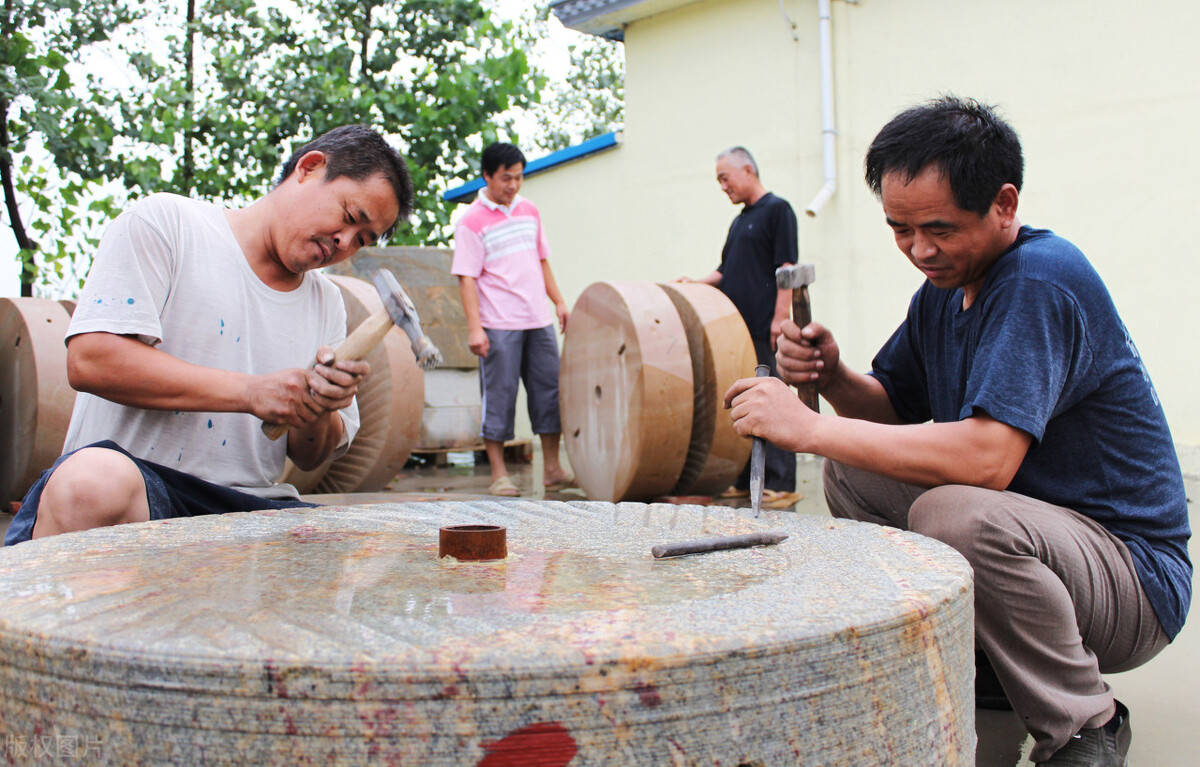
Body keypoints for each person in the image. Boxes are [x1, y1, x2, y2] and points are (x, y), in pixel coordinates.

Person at [725, 96, 1190, 765]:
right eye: (899, 229)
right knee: (855, 473)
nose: (919, 250)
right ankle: (992, 663)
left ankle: (1088, 721)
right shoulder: (941, 292)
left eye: (938, 228)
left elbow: (986, 460)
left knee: (955, 512)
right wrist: (831, 376)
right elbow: (889, 408)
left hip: (1135, 578)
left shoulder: (1041, 280)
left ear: (1004, 203)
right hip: (1044, 539)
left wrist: (803, 426)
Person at [5, 124, 414, 545]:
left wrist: (319, 409)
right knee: (91, 481)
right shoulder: (169, 224)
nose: (344, 242)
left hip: (254, 505)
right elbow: (92, 359)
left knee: (366, 547)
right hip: (142, 490)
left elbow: (310, 456)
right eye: (349, 217)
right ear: (309, 168)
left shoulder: (327, 301)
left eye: (361, 240)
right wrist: (251, 392)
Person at [680, 146, 800, 509]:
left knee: (772, 397)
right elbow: (725, 271)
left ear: (747, 170)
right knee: (744, 400)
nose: (722, 186)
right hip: (735, 330)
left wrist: (781, 317)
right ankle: (744, 478)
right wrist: (694, 283)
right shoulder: (739, 221)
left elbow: (787, 268)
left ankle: (780, 482)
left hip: (765, 326)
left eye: (724, 177)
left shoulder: (778, 210)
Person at [452, 142, 572, 497]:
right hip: (498, 324)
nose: (514, 185)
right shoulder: (471, 221)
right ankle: (499, 475)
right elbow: (467, 278)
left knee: (549, 392)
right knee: (500, 397)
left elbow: (542, 260)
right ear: (487, 176)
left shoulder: (529, 211)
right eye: (506, 178)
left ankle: (552, 468)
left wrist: (559, 302)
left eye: (519, 178)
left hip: (538, 320)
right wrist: (476, 328)